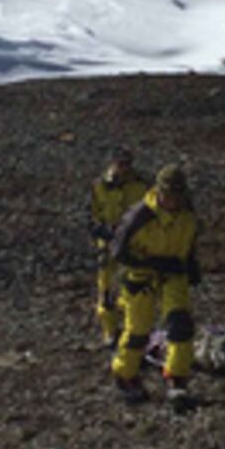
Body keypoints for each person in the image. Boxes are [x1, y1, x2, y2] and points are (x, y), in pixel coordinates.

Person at [109, 164, 201, 407]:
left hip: (173, 274)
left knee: (181, 325)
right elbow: (118, 251)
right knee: (138, 331)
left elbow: (189, 244)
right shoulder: (139, 216)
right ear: (159, 192)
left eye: (177, 196)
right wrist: (150, 263)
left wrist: (192, 270)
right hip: (142, 277)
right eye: (169, 195)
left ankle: (177, 379)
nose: (173, 201)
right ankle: (125, 375)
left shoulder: (187, 215)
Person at [88, 147, 149, 348]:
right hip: (107, 245)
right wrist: (103, 231)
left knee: (132, 288)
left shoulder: (142, 185)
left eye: (127, 164)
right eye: (120, 164)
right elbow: (91, 216)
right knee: (106, 290)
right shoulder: (99, 186)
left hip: (133, 244)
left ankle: (132, 330)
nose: (124, 169)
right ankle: (110, 331)